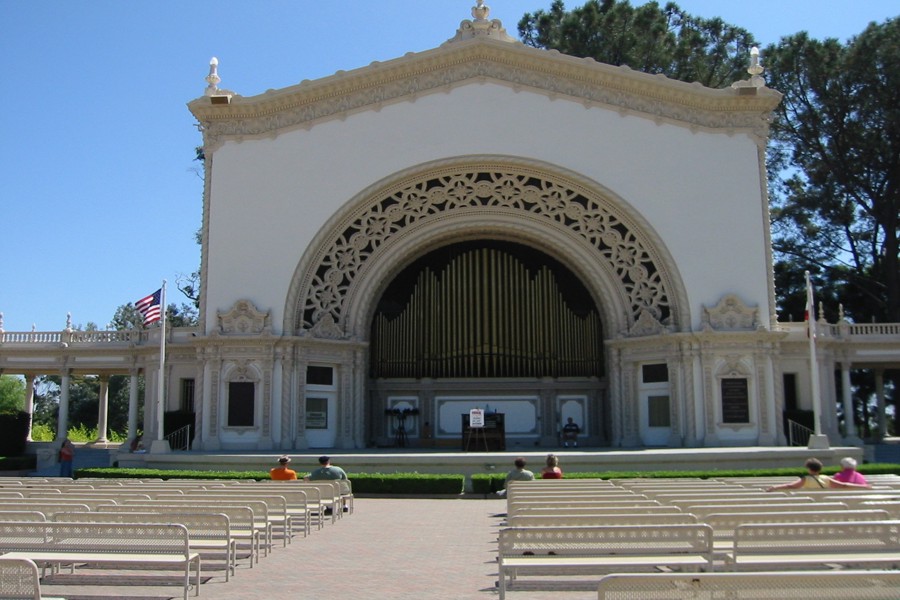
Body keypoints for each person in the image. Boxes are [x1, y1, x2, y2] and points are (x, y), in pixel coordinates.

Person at [765, 457, 872, 492]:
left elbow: (791, 486)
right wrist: (864, 486)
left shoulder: (805, 479)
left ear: (808, 469)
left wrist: (775, 487)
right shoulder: (826, 478)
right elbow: (844, 485)